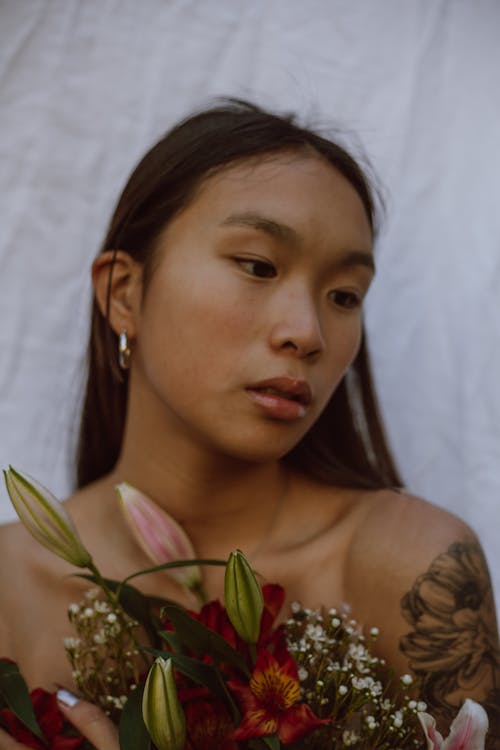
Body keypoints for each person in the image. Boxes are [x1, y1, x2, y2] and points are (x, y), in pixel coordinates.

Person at [0, 99, 498, 750]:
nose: (308, 333)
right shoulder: (11, 585)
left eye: (344, 296)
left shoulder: (410, 571)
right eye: (258, 266)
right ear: (124, 293)